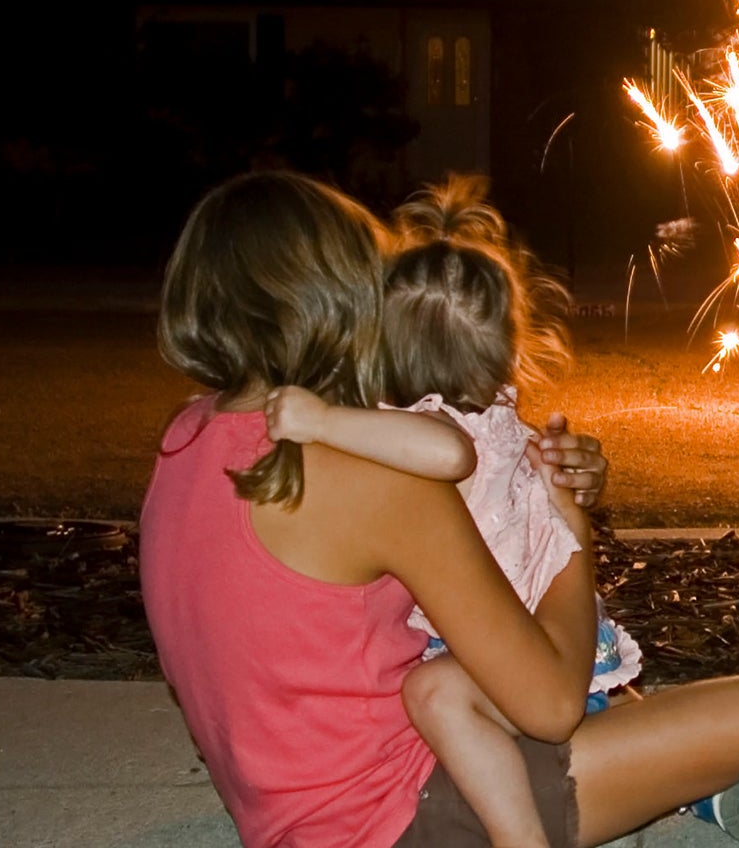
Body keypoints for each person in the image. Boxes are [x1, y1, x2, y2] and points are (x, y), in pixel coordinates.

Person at [139, 171, 739, 848]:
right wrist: (567, 529)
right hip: (407, 813)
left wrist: (522, 488)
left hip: (286, 804)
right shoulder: (372, 479)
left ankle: (690, 787)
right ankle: (692, 783)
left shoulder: (186, 439)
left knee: (617, 712)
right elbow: (549, 704)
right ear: (344, 301)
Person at [261, 177, 642, 848]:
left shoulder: (426, 428)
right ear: (504, 348)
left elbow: (446, 452)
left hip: (508, 660)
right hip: (546, 644)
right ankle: (671, 771)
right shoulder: (498, 419)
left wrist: (319, 419)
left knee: (431, 695)